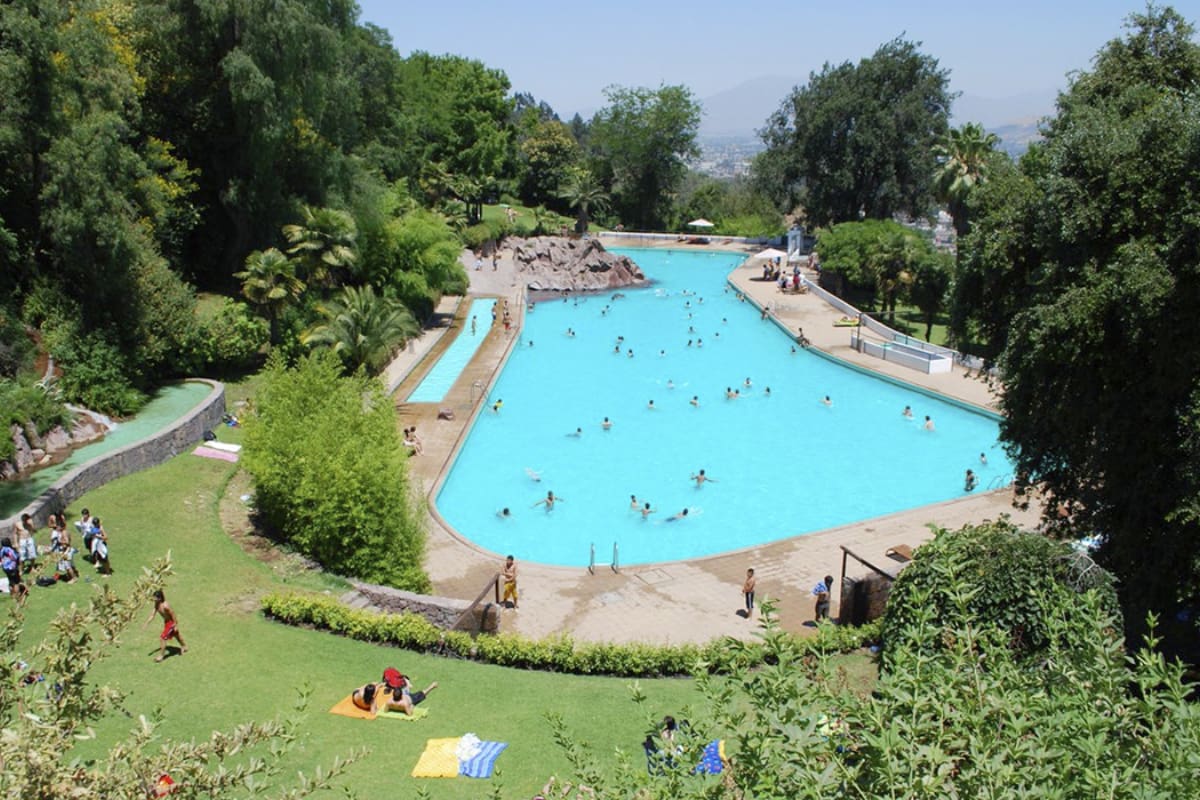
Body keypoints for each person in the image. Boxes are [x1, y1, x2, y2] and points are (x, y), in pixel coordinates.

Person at [143, 589, 187, 662]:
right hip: (166, 622)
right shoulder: (157, 604)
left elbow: (173, 615)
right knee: (177, 635)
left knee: (163, 638)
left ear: (160, 598)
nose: (153, 599)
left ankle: (161, 656)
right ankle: (184, 646)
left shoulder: (165, 606)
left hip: (171, 623)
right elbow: (152, 614)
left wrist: (175, 625)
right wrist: (146, 623)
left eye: (155, 597)